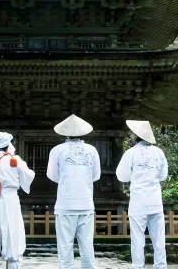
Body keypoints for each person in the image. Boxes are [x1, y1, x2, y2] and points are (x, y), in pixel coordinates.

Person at [47, 114, 101, 269]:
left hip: (65, 204)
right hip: (85, 203)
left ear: (65, 133)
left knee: (64, 247)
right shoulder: (92, 150)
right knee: (87, 246)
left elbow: (52, 175)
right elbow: (95, 175)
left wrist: (66, 180)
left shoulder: (57, 150)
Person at [0, 131, 35, 269]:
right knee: (13, 234)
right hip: (10, 200)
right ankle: (13, 261)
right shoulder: (15, 160)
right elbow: (29, 176)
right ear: (7, 144)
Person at [116, 120, 169, 269]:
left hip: (138, 201)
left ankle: (138, 266)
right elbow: (163, 176)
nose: (131, 135)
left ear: (137, 136)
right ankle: (160, 266)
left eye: (132, 133)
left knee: (137, 237)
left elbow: (122, 177)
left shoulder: (131, 153)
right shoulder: (159, 152)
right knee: (158, 237)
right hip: (155, 200)